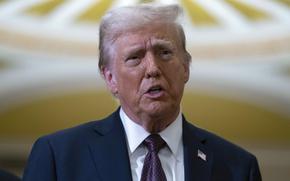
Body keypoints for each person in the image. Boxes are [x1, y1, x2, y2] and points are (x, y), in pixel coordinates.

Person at [22, 4, 262, 181]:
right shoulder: (59, 157)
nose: (153, 69)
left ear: (186, 68)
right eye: (135, 57)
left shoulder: (237, 167)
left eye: (165, 53)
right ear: (110, 78)